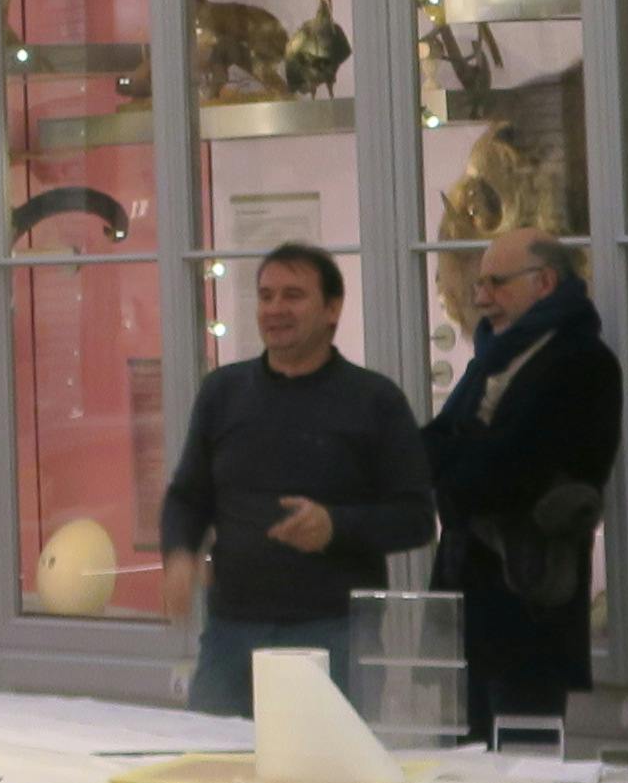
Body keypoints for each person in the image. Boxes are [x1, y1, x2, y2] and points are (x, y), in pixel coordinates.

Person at [159, 242, 436, 719]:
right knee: (213, 772)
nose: (275, 310)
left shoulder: (375, 400)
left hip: (337, 632)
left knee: (332, 777)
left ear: (333, 309)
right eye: (266, 296)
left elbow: (416, 519)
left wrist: (336, 526)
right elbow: (188, 497)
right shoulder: (222, 393)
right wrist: (180, 553)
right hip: (231, 632)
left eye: (293, 295)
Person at [425, 233, 620, 740]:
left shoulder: (584, 363)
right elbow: (442, 449)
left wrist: (457, 461)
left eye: (495, 282)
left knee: (522, 763)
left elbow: (509, 473)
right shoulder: (490, 359)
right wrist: (459, 457)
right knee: (458, 769)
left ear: (545, 283)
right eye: (478, 283)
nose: (481, 296)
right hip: (467, 601)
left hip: (529, 606)